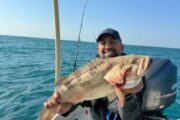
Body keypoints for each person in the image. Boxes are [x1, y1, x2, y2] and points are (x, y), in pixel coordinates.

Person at [44, 28, 164, 120]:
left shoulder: (134, 74)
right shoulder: (90, 73)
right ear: (98, 49)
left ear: (121, 47)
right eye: (102, 42)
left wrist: (127, 93)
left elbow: (130, 118)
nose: (107, 46)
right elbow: (80, 101)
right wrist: (66, 108)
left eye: (112, 41)